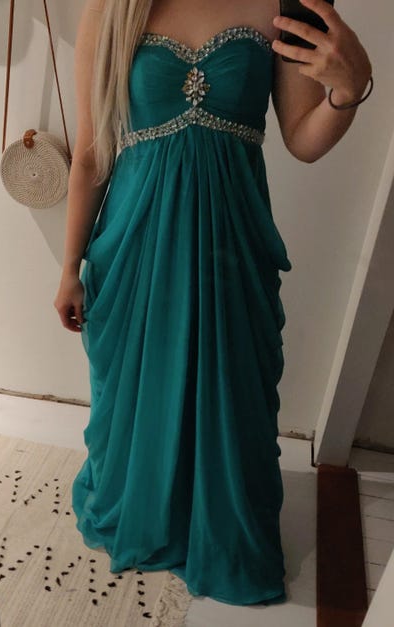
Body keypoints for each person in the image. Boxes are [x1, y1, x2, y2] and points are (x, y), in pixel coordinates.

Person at [54, 0, 372, 607]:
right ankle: (149, 512)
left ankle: (222, 537)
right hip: (136, 245)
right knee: (139, 390)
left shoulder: (285, 3)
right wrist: (70, 266)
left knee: (231, 390)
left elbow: (304, 141)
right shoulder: (113, 6)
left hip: (231, 245)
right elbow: (92, 154)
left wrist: (349, 91)